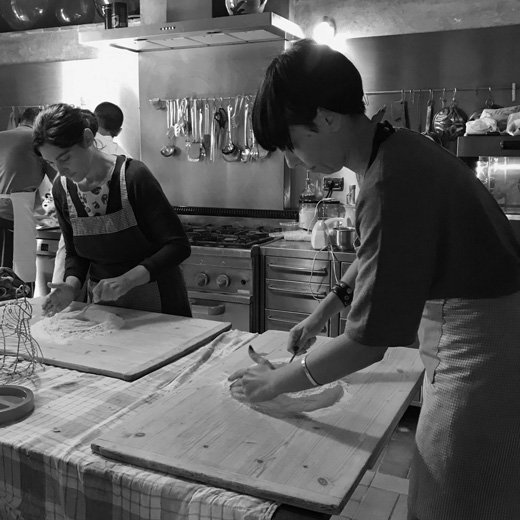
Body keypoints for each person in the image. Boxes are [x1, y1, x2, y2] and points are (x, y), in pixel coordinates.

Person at [228, 39, 520, 520]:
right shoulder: (398, 149)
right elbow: (379, 255)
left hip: (483, 355)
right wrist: (323, 311)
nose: (292, 159)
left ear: (325, 119)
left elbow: (370, 342)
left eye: (291, 143)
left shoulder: (389, 179)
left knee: (456, 500)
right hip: (492, 338)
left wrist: (277, 383)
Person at [33, 103, 192, 317]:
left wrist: (128, 280)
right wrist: (70, 286)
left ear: (88, 138)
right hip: (103, 306)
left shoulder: (133, 177)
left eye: (65, 158)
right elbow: (75, 254)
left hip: (157, 303)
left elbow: (178, 246)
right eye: (51, 163)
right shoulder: (63, 189)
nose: (60, 170)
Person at [0, 107, 54, 268]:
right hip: (17, 212)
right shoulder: (38, 140)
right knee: (19, 276)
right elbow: (59, 181)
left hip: (10, 210)